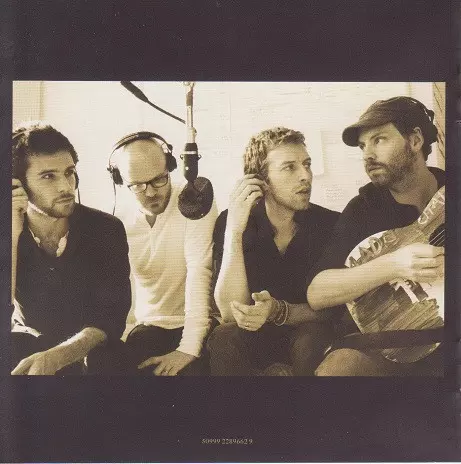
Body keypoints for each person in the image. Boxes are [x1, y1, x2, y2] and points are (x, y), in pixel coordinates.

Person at [307, 96, 445, 376]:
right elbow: (317, 293)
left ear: (415, 140)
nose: (367, 155)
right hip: (386, 347)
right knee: (341, 369)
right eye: (362, 146)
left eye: (379, 140)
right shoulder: (364, 209)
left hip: (449, 342)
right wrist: (395, 264)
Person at [207, 127, 340, 376]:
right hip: (253, 339)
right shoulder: (233, 221)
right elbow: (229, 313)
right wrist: (234, 231)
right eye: (290, 167)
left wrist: (279, 312)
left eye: (307, 165)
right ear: (262, 181)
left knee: (311, 338)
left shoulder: (330, 224)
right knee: (225, 336)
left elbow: (334, 310)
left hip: (307, 337)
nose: (306, 176)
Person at [11, 122, 131, 375]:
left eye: (69, 172)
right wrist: (11, 234)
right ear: (17, 184)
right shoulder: (10, 231)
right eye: (48, 176)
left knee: (108, 361)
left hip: (90, 350)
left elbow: (110, 318)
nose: (66, 187)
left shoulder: (105, 229)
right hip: (30, 344)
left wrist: (58, 357)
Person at [108, 132, 218, 376]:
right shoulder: (117, 220)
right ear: (120, 179)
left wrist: (188, 349)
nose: (150, 193)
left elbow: (199, 271)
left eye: (159, 179)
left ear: (170, 167)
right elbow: (118, 289)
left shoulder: (194, 201)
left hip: (198, 324)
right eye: (138, 185)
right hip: (149, 327)